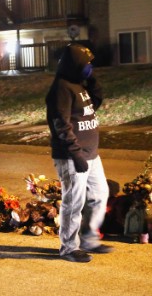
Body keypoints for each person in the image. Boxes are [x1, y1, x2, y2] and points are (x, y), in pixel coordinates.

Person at [45, 43, 112, 263]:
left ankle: (89, 239)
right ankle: (68, 248)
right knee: (73, 202)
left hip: (91, 154)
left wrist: (92, 80)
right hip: (72, 156)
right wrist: (76, 154)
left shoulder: (78, 85)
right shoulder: (61, 89)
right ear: (75, 65)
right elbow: (61, 125)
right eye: (86, 63)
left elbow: (95, 104)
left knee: (100, 194)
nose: (90, 66)